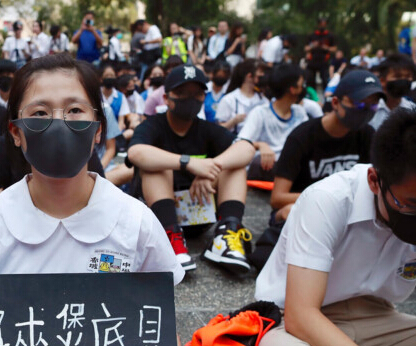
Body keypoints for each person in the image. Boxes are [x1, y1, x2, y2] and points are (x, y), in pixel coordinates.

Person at [0, 52, 198, 346]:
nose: (58, 123)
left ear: (97, 130)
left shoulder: (135, 221)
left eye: (75, 110)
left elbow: (159, 323)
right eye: (40, 113)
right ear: (15, 132)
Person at [255, 105, 416, 346]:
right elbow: (302, 316)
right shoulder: (328, 200)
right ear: (374, 180)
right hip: (296, 325)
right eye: (413, 206)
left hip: (377, 318)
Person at [127, 64, 257, 273]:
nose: (189, 99)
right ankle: (170, 240)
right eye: (181, 93)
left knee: (235, 166)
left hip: (199, 209)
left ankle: (225, 237)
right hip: (160, 217)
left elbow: (246, 149)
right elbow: (136, 153)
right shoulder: (153, 126)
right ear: (166, 98)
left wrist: (212, 168)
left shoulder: (206, 129)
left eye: (196, 94)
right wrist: (189, 162)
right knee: (156, 167)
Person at [249, 70, 383, 270]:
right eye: (358, 103)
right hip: (303, 210)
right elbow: (278, 198)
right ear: (336, 102)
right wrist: (325, 200)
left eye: (372, 104)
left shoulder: (367, 135)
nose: (365, 110)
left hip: (348, 214)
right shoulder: (302, 137)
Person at [238, 63, 309, 181]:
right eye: (302, 85)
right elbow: (239, 142)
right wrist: (261, 145)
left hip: (291, 169)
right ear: (292, 89)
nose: (303, 88)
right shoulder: (260, 113)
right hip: (266, 170)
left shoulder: (300, 113)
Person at [216, 59, 268, 133]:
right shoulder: (229, 100)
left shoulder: (263, 100)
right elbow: (218, 129)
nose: (263, 75)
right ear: (249, 76)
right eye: (260, 74)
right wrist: (233, 121)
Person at [369, 53, 416, 130]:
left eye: (408, 76)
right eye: (397, 76)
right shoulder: (368, 112)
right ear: (382, 81)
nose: (403, 80)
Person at [305, 18, 336, 90]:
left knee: (325, 80)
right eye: (321, 24)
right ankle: (312, 98)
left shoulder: (330, 36)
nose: (322, 26)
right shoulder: (312, 35)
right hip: (312, 61)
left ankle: (326, 97)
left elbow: (334, 49)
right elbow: (306, 48)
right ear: (318, 24)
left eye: (324, 24)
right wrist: (313, 46)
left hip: (324, 61)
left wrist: (326, 48)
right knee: (310, 80)